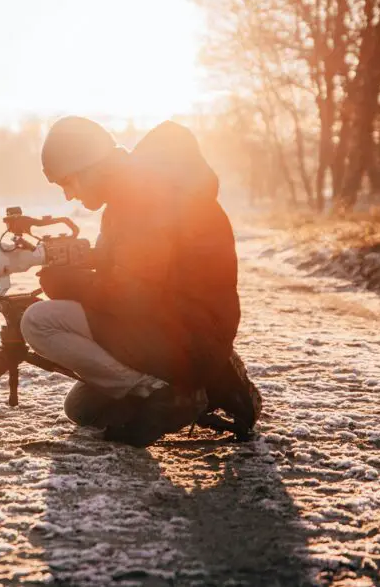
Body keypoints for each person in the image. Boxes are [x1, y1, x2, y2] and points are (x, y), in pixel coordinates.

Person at [20, 116, 262, 447]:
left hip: (183, 334)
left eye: (67, 182)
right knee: (82, 408)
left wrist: (71, 286)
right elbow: (138, 271)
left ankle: (167, 395)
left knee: (39, 321)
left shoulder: (143, 200)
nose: (68, 196)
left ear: (89, 167)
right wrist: (85, 261)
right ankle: (216, 381)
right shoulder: (132, 194)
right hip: (183, 329)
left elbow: (135, 295)